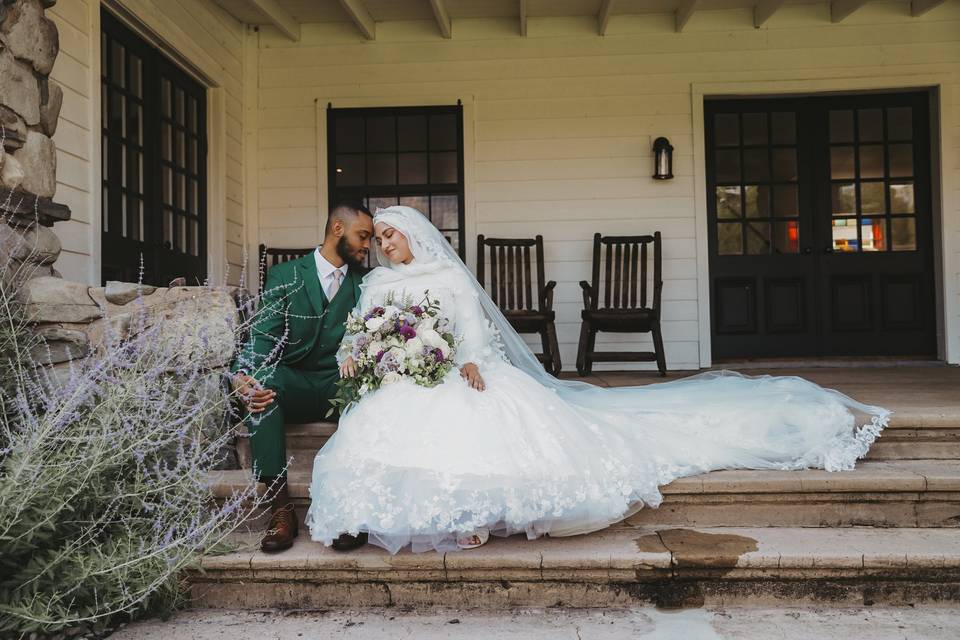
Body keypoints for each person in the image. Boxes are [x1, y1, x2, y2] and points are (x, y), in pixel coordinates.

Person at [305, 206, 890, 555]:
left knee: (475, 414)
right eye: (377, 238)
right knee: (385, 424)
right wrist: (358, 356)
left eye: (390, 235)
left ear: (415, 236)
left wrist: (470, 359)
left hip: (453, 367)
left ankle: (473, 515)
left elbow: (469, 330)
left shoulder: (449, 278)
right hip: (398, 378)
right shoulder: (375, 287)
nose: (383, 244)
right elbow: (362, 332)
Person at [231, 202, 373, 553]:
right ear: (338, 229)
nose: (368, 246)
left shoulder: (366, 284)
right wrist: (243, 374)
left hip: (338, 384)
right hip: (294, 380)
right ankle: (281, 510)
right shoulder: (287, 276)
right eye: (363, 236)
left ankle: (350, 511)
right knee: (262, 385)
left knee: (371, 396)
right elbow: (263, 334)